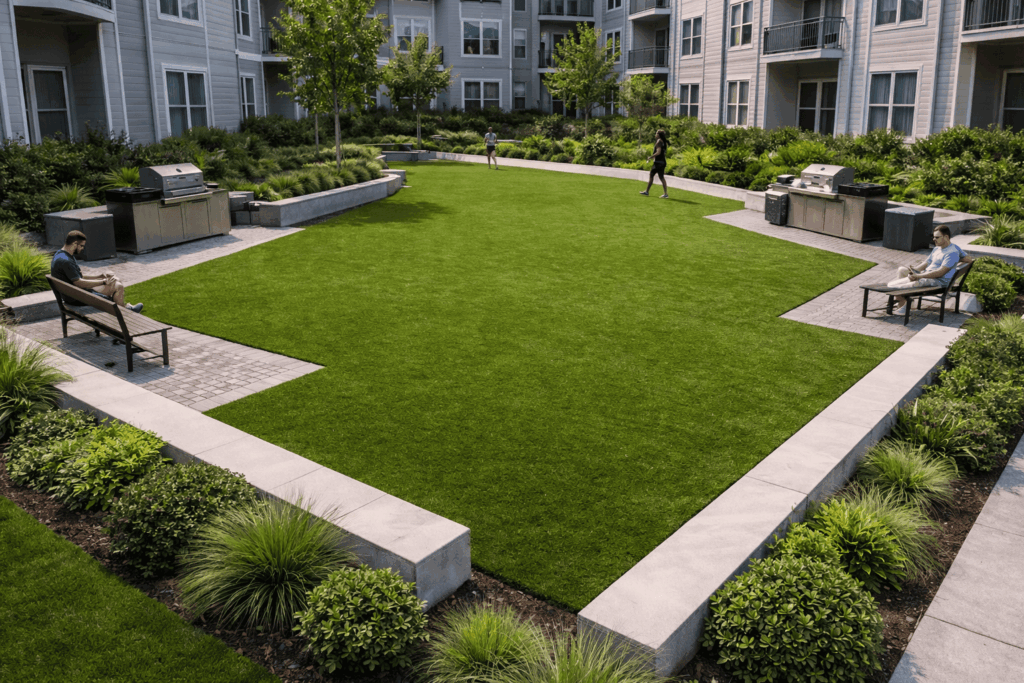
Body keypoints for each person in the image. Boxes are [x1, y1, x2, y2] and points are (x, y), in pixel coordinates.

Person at [50, 230, 143, 313]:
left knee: (116, 282)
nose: (82, 248)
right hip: (78, 297)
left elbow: (78, 276)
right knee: (117, 286)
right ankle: (125, 313)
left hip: (74, 293)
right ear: (75, 243)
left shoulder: (61, 254)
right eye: (81, 246)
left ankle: (125, 309)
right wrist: (103, 282)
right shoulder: (66, 261)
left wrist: (100, 276)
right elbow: (79, 282)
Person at [887, 226, 971, 316]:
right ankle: (905, 302)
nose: (934, 239)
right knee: (895, 279)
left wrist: (919, 276)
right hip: (927, 277)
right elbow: (927, 262)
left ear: (946, 237)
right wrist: (915, 271)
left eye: (937, 237)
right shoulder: (937, 248)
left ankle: (906, 304)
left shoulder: (952, 253)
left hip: (937, 281)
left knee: (893, 287)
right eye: (934, 237)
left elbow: (940, 272)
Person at [640, 129, 669, 198]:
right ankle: (665, 194)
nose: (655, 135)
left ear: (659, 135)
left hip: (658, 163)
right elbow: (663, 153)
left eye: (656, 133)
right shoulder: (664, 142)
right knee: (661, 177)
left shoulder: (659, 141)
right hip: (663, 162)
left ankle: (647, 192)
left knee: (651, 175)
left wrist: (651, 157)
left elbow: (658, 152)